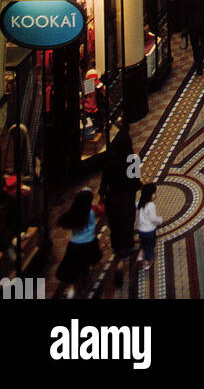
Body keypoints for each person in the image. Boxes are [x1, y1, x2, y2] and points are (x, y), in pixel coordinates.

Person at [99, 127, 141, 273]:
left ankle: (118, 252)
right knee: (127, 224)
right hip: (127, 198)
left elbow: (103, 185)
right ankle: (127, 251)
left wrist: (103, 196)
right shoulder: (132, 160)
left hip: (113, 200)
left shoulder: (110, 161)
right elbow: (136, 183)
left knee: (116, 226)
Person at [56, 189, 102, 296]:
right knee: (85, 262)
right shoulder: (90, 213)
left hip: (75, 244)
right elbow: (93, 224)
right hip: (89, 242)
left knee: (73, 265)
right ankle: (85, 277)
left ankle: (72, 287)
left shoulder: (74, 213)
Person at [135, 182, 163, 269]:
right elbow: (153, 218)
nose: (155, 194)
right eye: (154, 193)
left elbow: (134, 204)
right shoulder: (151, 205)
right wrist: (160, 220)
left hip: (141, 229)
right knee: (150, 246)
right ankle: (148, 261)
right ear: (150, 195)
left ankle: (140, 255)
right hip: (149, 231)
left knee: (143, 242)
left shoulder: (140, 203)